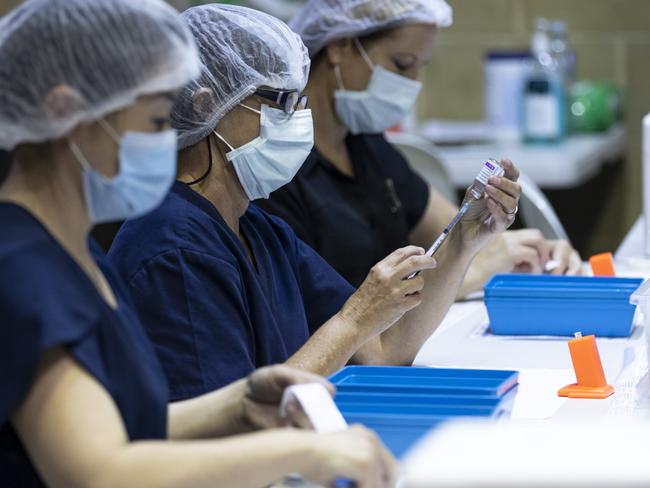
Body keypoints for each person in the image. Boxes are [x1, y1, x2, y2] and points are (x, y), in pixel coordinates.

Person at [0, 1, 396, 486]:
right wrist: (302, 451)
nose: (170, 139)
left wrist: (239, 401)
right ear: (65, 113)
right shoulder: (21, 268)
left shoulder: (74, 254)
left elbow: (123, 422)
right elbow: (99, 471)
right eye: (153, 123)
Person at [108, 3, 522, 401]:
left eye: (299, 102)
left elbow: (382, 352)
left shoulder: (261, 231)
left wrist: (464, 239)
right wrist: (353, 319)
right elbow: (228, 428)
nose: (297, 121)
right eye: (281, 104)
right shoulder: (174, 248)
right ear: (206, 105)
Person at [258, 0, 582, 293]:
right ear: (340, 45)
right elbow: (329, 314)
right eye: (401, 64)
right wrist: (477, 269)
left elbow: (457, 234)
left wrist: (529, 250)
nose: (412, 84)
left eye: (419, 67)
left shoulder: (368, 149)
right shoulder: (279, 167)